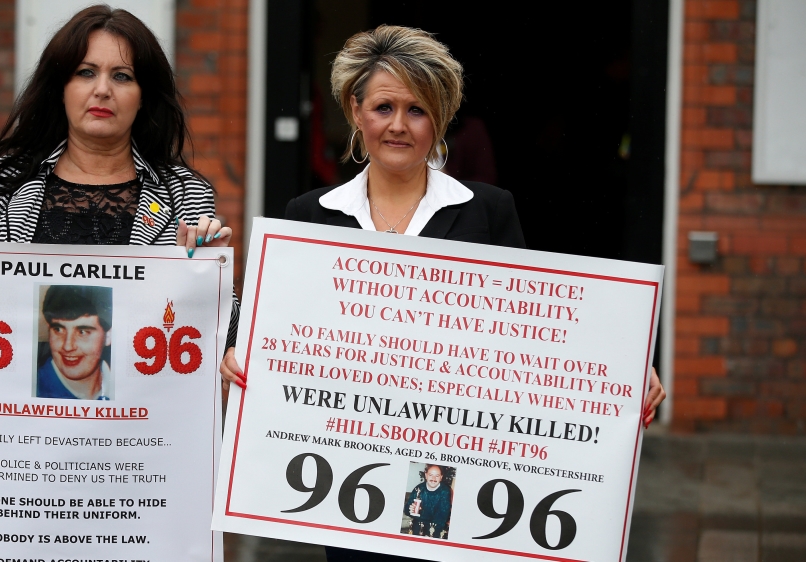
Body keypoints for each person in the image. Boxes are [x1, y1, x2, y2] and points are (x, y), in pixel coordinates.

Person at [219, 25, 666, 562]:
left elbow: (538, 328)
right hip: (345, 470)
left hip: (456, 462)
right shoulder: (309, 215)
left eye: (418, 110)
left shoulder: (488, 210)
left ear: (440, 118)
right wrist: (236, 345)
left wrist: (623, 371)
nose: (399, 126)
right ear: (355, 110)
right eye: (384, 107)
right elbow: (266, 321)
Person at [0, 5, 239, 356]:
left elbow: (222, 335)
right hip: (22, 403)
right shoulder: (7, 178)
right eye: (86, 72)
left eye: (122, 76)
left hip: (139, 406)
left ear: (143, 98)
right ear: (61, 88)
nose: (103, 89)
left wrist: (212, 276)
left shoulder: (185, 191)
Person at [37, 285, 112, 400]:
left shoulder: (125, 389)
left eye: (82, 332)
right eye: (58, 330)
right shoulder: (35, 389)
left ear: (108, 336)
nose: (67, 346)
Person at [403, 465, 451, 539]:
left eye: (437, 476)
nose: (433, 479)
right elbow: (406, 510)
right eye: (431, 475)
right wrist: (410, 509)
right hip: (417, 526)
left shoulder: (445, 491)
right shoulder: (418, 488)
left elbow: (442, 518)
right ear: (426, 475)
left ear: (441, 477)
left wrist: (429, 534)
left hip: (435, 528)